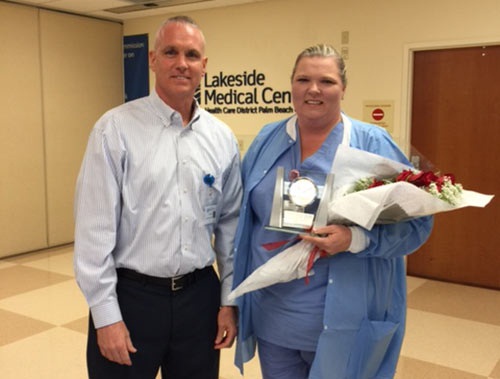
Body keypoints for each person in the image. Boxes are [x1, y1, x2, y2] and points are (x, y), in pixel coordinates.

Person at [232, 44, 433, 379]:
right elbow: (243, 222)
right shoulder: (268, 140)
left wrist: (354, 239)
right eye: (303, 79)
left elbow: (417, 225)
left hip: (345, 320)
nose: (313, 89)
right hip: (274, 317)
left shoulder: (371, 142)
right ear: (291, 85)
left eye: (326, 81)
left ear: (343, 89)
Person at [74, 15, 242, 379]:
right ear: (152, 60)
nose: (182, 63)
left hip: (200, 299)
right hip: (132, 299)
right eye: (171, 52)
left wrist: (229, 302)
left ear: (204, 67)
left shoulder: (222, 138)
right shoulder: (114, 130)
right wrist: (106, 318)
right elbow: (93, 234)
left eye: (192, 55)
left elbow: (230, 228)